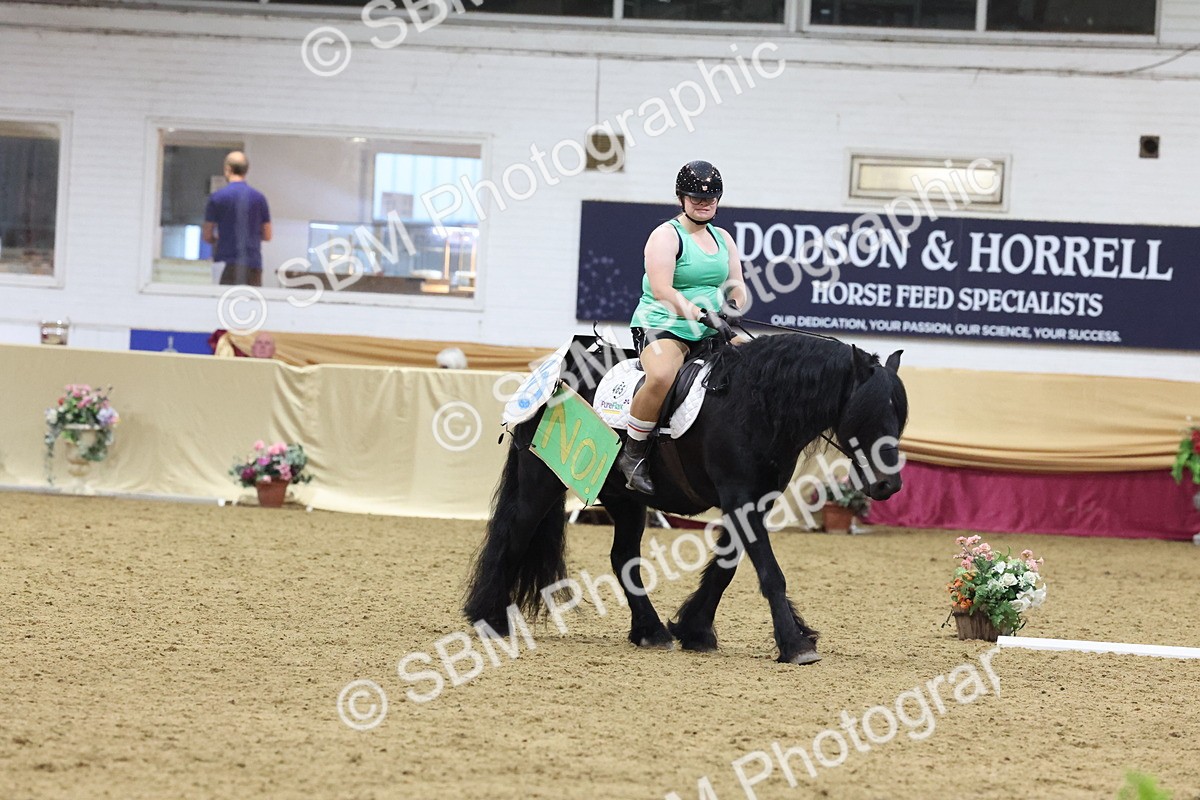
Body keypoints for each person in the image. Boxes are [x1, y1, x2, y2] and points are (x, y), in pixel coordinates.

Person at [616, 160, 748, 495]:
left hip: (711, 327)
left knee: (758, 361)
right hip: (663, 326)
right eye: (695, 197)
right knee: (661, 377)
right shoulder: (665, 236)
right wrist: (701, 314)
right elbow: (662, 290)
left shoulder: (724, 239)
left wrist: (733, 306)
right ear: (681, 198)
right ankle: (633, 453)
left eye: (710, 198)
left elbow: (737, 284)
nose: (703, 203)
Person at [202, 151, 272, 287]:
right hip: (253, 265)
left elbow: (207, 235)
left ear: (227, 169)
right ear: (246, 171)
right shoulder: (259, 198)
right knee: (252, 304)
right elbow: (268, 235)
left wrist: (220, 241)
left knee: (225, 304)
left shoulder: (217, 198)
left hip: (226, 263)